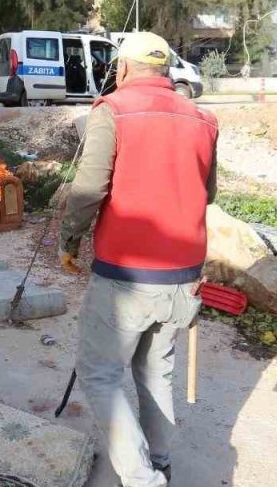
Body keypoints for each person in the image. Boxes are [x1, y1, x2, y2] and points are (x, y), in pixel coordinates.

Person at [58, 32, 218, 487]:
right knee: (155, 372)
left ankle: (143, 478)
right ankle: (161, 457)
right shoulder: (204, 120)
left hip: (126, 276)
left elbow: (89, 189)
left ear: (123, 69)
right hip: (184, 278)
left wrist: (69, 241)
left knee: (99, 373)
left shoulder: (112, 111)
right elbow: (207, 192)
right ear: (165, 69)